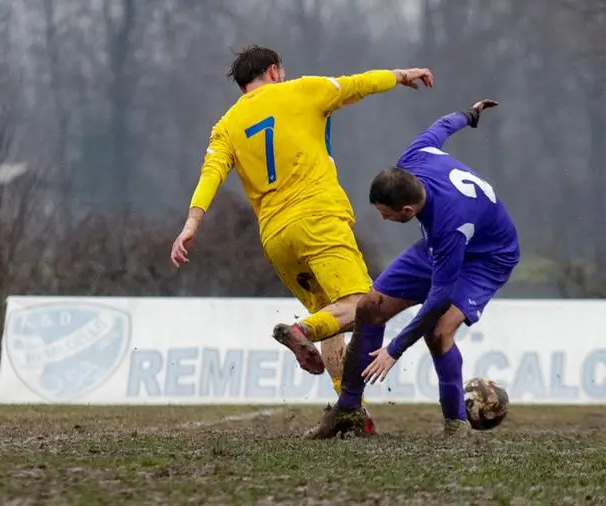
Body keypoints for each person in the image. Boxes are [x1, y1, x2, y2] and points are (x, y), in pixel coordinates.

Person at [169, 45, 433, 433]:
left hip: (276, 236)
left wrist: (192, 222)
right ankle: (300, 332)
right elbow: (357, 84)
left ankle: (349, 408)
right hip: (317, 217)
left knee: (331, 312)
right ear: (274, 71)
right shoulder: (302, 90)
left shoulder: (226, 126)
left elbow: (211, 173)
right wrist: (400, 74)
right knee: (362, 306)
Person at [303, 99, 519, 439]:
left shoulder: (449, 225)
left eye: (386, 214)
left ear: (406, 210)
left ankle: (455, 424)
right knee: (369, 308)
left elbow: (438, 299)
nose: (382, 218)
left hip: (486, 258)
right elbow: (442, 126)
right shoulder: (414, 158)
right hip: (444, 244)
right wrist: (470, 114)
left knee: (439, 331)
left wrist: (394, 349)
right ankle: (348, 410)